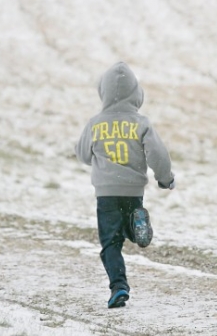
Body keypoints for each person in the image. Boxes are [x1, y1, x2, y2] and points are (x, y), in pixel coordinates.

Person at [75, 62, 175, 308]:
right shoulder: (141, 123)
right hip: (133, 190)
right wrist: (165, 178)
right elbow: (158, 155)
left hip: (106, 194)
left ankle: (119, 287)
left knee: (111, 242)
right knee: (129, 221)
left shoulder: (95, 124)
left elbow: (83, 155)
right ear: (136, 94)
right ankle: (136, 224)